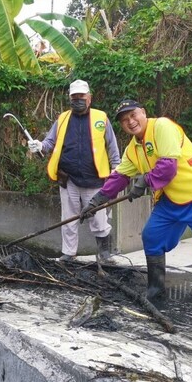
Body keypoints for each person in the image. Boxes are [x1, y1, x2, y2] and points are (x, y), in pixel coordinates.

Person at [81, 99, 192, 322]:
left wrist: (145, 181)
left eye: (133, 115)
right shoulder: (132, 149)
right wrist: (96, 201)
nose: (130, 122)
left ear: (143, 112)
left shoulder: (162, 127)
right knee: (152, 235)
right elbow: (119, 177)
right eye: (125, 120)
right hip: (172, 199)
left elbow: (168, 167)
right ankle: (156, 288)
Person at [27, 79, 121, 262]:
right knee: (69, 218)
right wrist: (39, 146)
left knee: (99, 219)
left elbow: (112, 145)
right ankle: (69, 254)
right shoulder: (63, 119)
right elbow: (50, 142)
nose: (78, 100)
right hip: (68, 179)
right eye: (74, 97)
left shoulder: (101, 118)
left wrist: (116, 168)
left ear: (89, 98)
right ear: (70, 98)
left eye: (81, 96)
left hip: (95, 180)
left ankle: (105, 254)